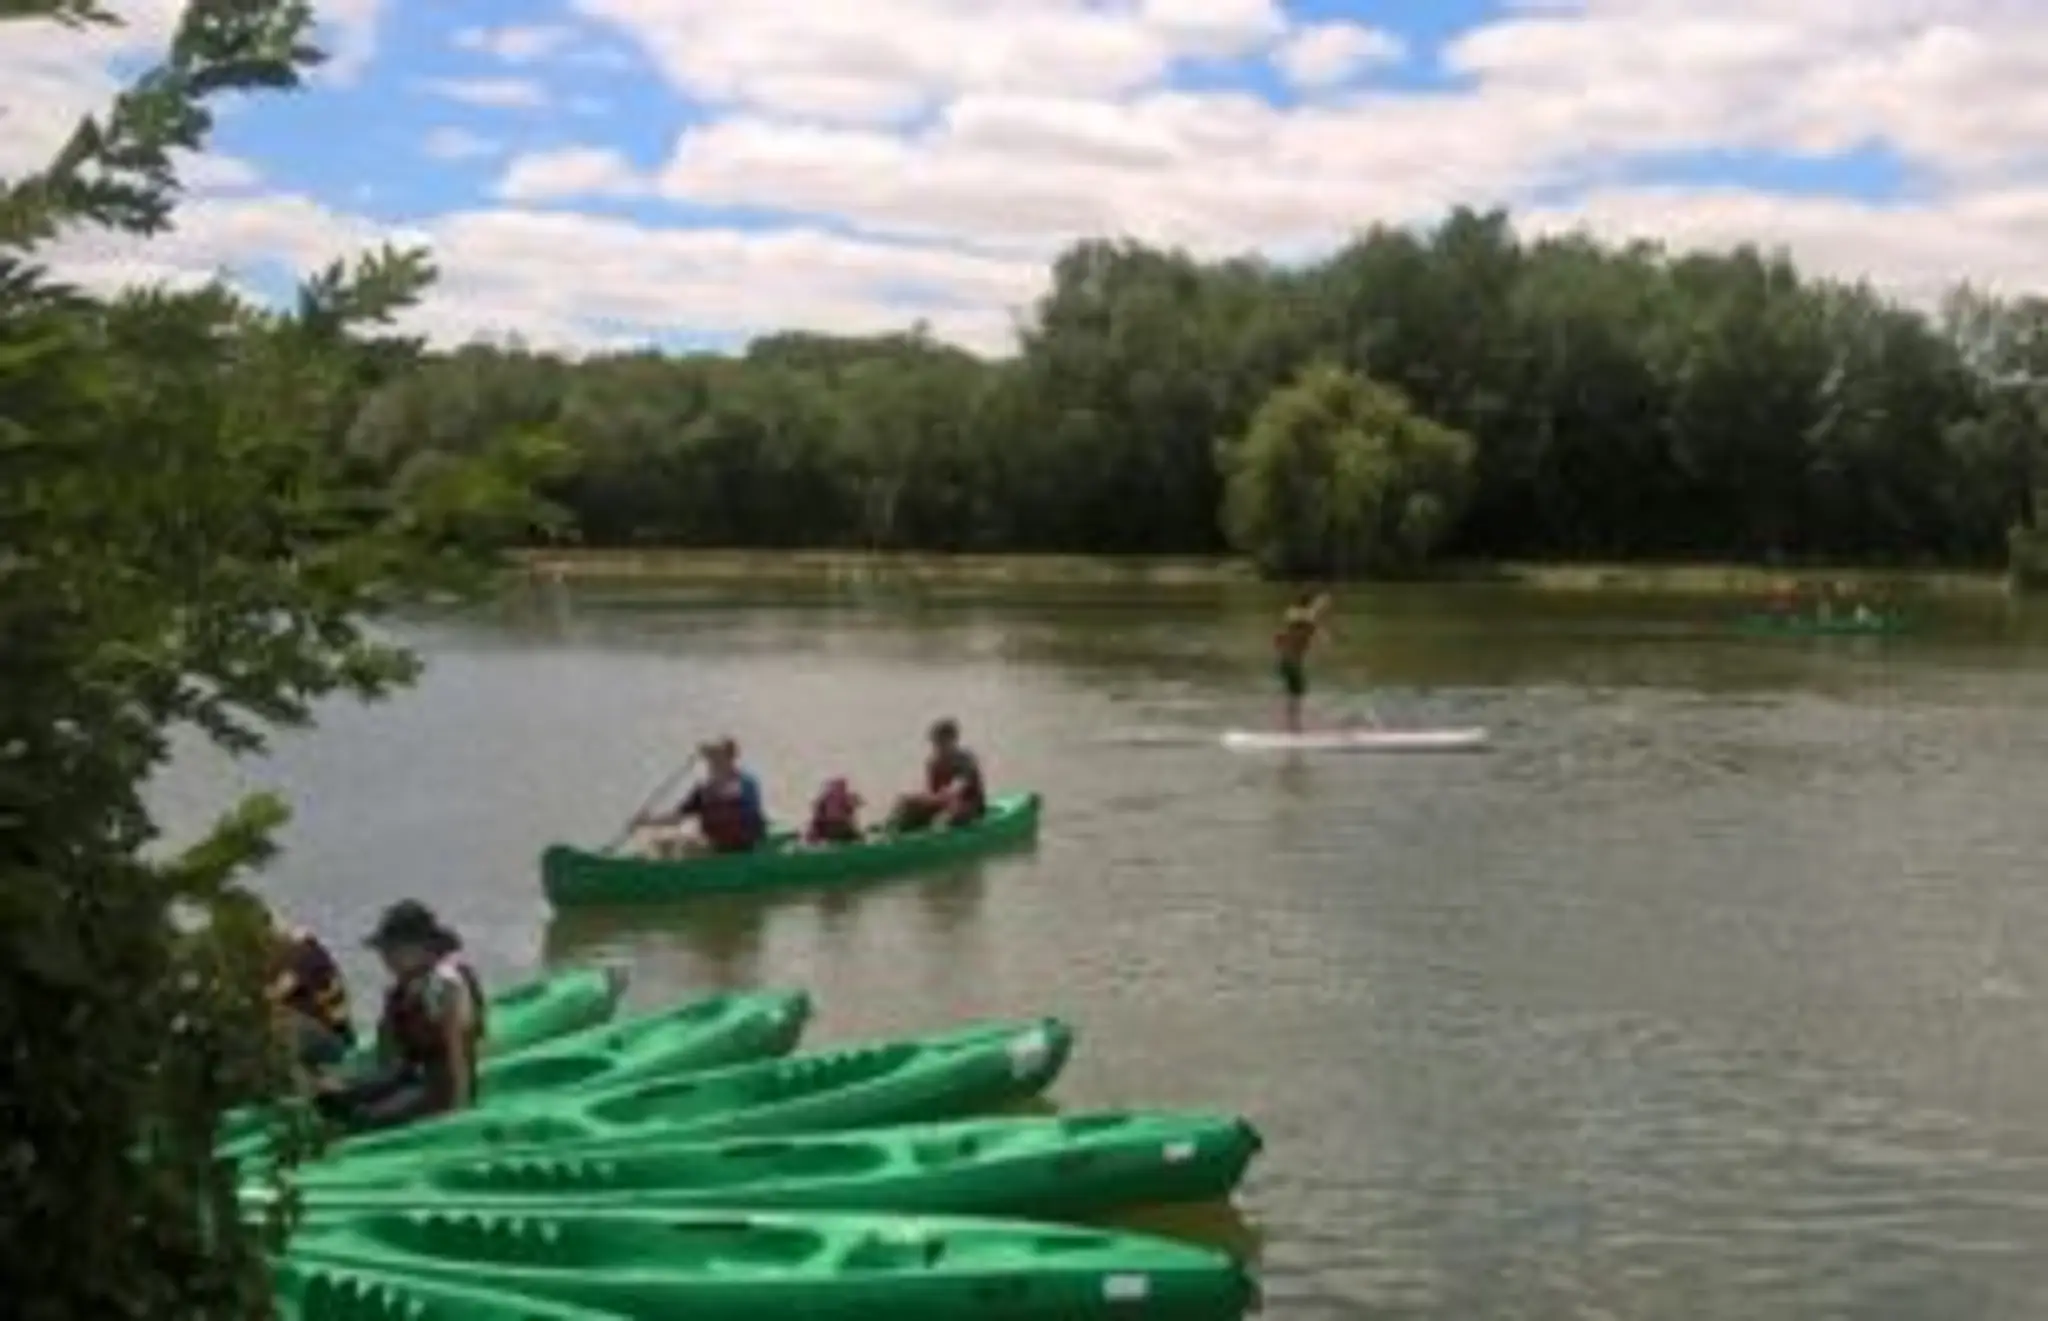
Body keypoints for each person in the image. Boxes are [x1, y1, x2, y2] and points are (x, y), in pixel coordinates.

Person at [314, 900, 485, 1132]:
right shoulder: (401, 992)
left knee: (365, 1118)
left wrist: (459, 1107)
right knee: (332, 1101)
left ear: (420, 947)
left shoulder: (445, 984)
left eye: (393, 949)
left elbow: (458, 1049)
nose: (386, 958)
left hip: (437, 1087)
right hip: (407, 1079)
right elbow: (390, 1056)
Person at [633, 737, 767, 858]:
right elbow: (678, 818)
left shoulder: (711, 791)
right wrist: (648, 821)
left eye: (715, 761)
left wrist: (646, 821)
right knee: (671, 842)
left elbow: (676, 819)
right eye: (712, 762)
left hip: (727, 848)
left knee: (667, 845)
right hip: (735, 846)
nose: (712, 766)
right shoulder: (745, 783)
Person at [268, 913, 356, 1072]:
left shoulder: (303, 954)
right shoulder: (315, 954)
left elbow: (281, 990)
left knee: (286, 1024)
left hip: (329, 1038)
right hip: (333, 1033)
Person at [888, 718, 986, 831]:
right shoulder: (933, 764)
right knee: (905, 805)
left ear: (953, 740)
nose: (940, 747)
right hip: (943, 803)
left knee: (948, 815)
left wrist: (942, 797)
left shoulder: (965, 760)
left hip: (968, 806)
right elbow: (932, 792)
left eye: (944, 742)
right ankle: (895, 833)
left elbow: (958, 786)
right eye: (937, 743)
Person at [1273, 590, 1331, 732]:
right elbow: (1302, 618)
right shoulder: (1299, 619)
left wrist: (1318, 608)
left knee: (1296, 694)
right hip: (1289, 663)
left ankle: (1292, 725)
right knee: (1297, 693)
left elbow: (1318, 631)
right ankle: (1293, 726)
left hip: (1289, 663)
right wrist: (1318, 605)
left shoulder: (1306, 623)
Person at [806, 776, 864, 845]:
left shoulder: (845, 797)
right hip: (832, 827)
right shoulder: (826, 799)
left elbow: (858, 802)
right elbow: (817, 815)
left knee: (855, 837)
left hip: (839, 826)